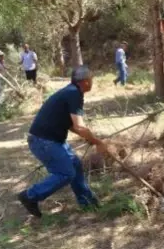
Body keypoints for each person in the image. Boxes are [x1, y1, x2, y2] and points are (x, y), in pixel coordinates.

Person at [18, 65, 109, 218]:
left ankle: (87, 201)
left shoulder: (71, 91)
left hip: (50, 140)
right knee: (65, 173)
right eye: (91, 79)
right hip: (44, 141)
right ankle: (30, 195)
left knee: (75, 165)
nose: (92, 82)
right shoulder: (74, 94)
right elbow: (80, 126)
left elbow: (70, 124)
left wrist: (89, 138)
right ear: (85, 81)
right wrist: (97, 142)